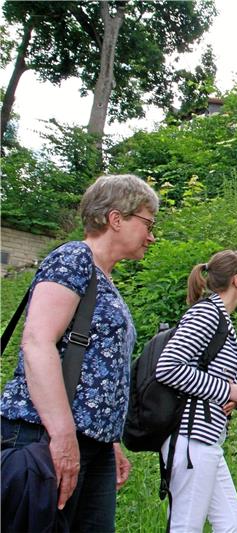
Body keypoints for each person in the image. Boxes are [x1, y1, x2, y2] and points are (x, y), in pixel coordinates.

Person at [1, 174, 159, 530]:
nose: (151, 236)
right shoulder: (74, 258)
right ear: (116, 218)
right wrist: (62, 435)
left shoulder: (104, 277)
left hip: (90, 442)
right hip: (44, 435)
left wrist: (108, 439)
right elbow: (38, 342)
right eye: (148, 224)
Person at [155, 250, 237, 533]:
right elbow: (168, 367)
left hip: (208, 439)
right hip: (191, 440)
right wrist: (226, 391)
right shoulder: (207, 314)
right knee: (186, 527)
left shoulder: (221, 317)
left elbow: (212, 378)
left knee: (231, 522)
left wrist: (233, 397)